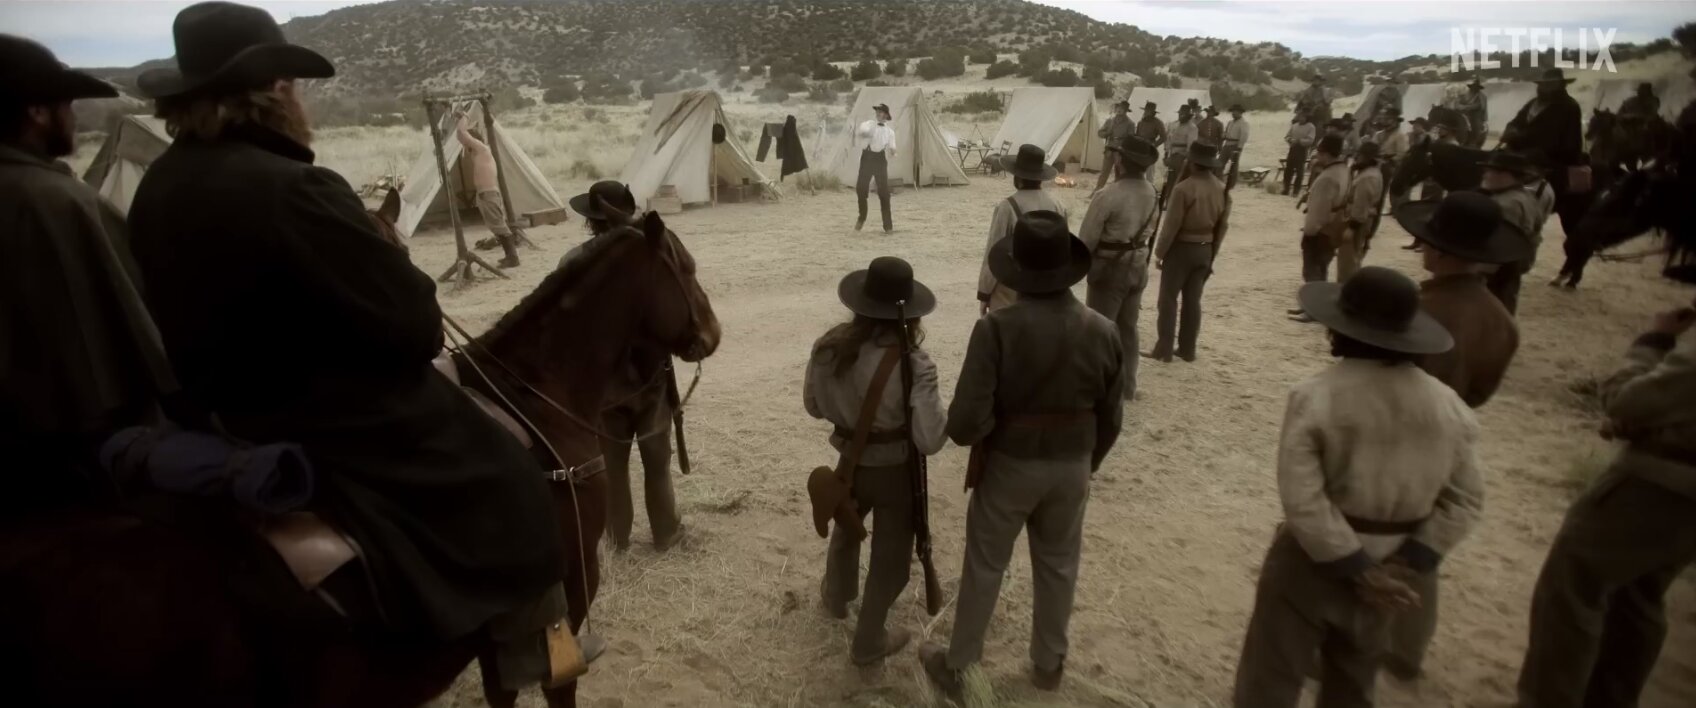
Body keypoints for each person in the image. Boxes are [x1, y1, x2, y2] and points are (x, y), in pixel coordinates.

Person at [124, 2, 568, 689]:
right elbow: (412, 327)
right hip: (330, 418)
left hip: (217, 409)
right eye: (294, 88)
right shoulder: (293, 186)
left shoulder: (160, 184)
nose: (300, 101)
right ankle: (530, 651)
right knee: (511, 474)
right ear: (276, 91)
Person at [1233, 266, 1480, 708]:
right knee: (1354, 678)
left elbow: (1304, 500)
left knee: (1272, 673)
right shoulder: (1451, 407)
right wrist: (1406, 563)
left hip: (1312, 560)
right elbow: (1465, 500)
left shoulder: (1317, 396)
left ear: (1341, 329)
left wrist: (1356, 567)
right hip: (1395, 562)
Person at [921, 211, 1124, 698]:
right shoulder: (1103, 330)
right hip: (1073, 465)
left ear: (1018, 271)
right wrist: (1086, 462)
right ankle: (1048, 664)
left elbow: (965, 421)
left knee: (985, 564)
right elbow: (1112, 417)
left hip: (1010, 464)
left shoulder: (996, 329)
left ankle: (960, 666)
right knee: (1059, 564)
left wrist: (991, 435)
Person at [0, 34, 176, 520]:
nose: (73, 116)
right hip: (61, 462)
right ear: (37, 111)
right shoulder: (54, 202)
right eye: (67, 104)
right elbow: (133, 341)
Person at [1515, 291, 1696, 708]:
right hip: (1683, 497)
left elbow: (1626, 399)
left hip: (1656, 485)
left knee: (1571, 590)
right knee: (1637, 598)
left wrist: (1653, 342)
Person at [1383, 192, 1529, 682]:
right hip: (1451, 437)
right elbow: (1482, 392)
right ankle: (1408, 649)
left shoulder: (1420, 311)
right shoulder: (1502, 321)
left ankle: (1345, 643)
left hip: (1397, 438)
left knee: (1368, 538)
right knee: (1422, 545)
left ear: (1440, 250)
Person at [805, 256, 947, 666]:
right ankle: (869, 641)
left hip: (849, 463)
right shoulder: (916, 364)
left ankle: (836, 597)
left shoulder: (828, 348)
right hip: (895, 473)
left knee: (846, 526)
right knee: (891, 558)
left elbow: (814, 407)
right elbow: (930, 439)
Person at [566, 181, 685, 553]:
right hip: (650, 382)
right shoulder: (657, 255)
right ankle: (666, 534)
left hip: (605, 388)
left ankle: (617, 538)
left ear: (590, 220)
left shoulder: (574, 261)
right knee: (657, 463)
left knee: (613, 468)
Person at [1078, 135, 1160, 399]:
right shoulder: (1152, 192)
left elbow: (1087, 239)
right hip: (1138, 265)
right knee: (1128, 329)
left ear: (1121, 161)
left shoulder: (1107, 195)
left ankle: (1096, 390)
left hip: (1110, 268)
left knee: (1099, 331)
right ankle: (1127, 386)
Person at [1149, 142, 1229, 363]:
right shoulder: (1222, 189)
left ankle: (1164, 349)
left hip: (1181, 248)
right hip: (1206, 248)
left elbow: (1171, 226)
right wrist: (1212, 252)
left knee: (1168, 300)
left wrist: (1160, 253)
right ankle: (1187, 349)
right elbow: (1222, 226)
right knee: (1193, 301)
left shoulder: (1183, 188)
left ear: (1192, 162)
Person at [978, 144, 1068, 313]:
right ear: (1040, 177)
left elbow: (994, 252)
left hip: (1014, 286)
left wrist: (984, 292)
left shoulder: (1008, 207)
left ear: (1017, 177)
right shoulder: (1057, 206)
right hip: (1047, 285)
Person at [1503, 69, 1586, 252]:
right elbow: (1516, 122)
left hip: (1552, 160)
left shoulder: (1569, 107)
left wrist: (1521, 139)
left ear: (1560, 85)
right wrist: (1511, 131)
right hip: (1523, 153)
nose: (1544, 88)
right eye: (1542, 84)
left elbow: (1559, 141)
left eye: (1549, 84)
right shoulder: (1533, 104)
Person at [1478, 151, 1549, 314]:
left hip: (1497, 275)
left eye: (1490, 171)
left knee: (1491, 314)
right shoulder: (1525, 196)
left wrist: (1477, 274)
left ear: (1505, 175)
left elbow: (1499, 248)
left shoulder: (1507, 204)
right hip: (1511, 271)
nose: (1485, 175)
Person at [1290, 135, 1350, 323]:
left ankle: (1313, 309)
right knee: (1321, 268)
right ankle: (1311, 306)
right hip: (1332, 227)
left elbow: (1319, 209)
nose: (1317, 155)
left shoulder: (1328, 178)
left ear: (1326, 154)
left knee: (1313, 270)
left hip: (1321, 230)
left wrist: (1310, 231)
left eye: (1320, 152)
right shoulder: (1343, 170)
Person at [456, 112, 525, 268]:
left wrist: (464, 117)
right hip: (484, 194)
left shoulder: (482, 149)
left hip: (488, 193)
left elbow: (461, 133)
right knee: (495, 226)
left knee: (499, 226)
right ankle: (509, 256)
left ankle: (513, 258)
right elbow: (461, 136)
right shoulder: (477, 153)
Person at [1337, 141, 1384, 281]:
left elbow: (1361, 204)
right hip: (1361, 219)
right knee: (1351, 258)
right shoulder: (1370, 173)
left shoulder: (1368, 177)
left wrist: (1352, 228)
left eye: (1360, 155)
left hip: (1358, 222)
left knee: (1348, 261)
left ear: (1367, 157)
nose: (1357, 158)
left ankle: (1346, 286)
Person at [854, 102, 897, 235]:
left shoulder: (890, 132)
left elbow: (892, 147)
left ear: (886, 115)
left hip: (880, 160)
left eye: (880, 111)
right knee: (861, 189)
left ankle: (888, 226)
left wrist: (893, 151)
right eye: (877, 111)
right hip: (867, 158)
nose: (878, 113)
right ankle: (862, 217)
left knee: (884, 193)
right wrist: (864, 133)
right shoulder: (868, 124)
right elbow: (862, 131)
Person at [1093, 99, 1135, 193]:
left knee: (1120, 173)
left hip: (1120, 152)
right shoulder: (1110, 121)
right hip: (1109, 149)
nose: (1119, 110)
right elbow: (1100, 133)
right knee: (1104, 172)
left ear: (1126, 111)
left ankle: (1119, 193)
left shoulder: (1130, 124)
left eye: (1122, 108)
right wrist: (1107, 133)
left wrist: (1123, 147)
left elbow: (1131, 139)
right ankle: (1097, 191)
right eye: (1118, 107)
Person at [1162, 105, 1199, 207]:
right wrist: (1166, 154)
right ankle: (1168, 202)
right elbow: (1169, 140)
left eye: (1183, 114)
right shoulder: (1175, 125)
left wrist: (1185, 159)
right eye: (1179, 114)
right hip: (1172, 155)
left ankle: (1179, 204)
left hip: (1182, 157)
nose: (1180, 116)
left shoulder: (1192, 128)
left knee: (1180, 180)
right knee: (1170, 180)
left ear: (1188, 116)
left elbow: (1191, 146)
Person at [1283, 112, 1317, 196]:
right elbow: (1287, 136)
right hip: (1292, 149)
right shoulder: (1294, 125)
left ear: (1306, 117)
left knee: (1299, 171)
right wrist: (1290, 140)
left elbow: (1310, 140)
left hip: (1302, 150)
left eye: (1302, 117)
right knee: (1288, 170)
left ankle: (1296, 191)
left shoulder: (1311, 127)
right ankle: (1286, 189)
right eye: (1299, 116)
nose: (1300, 118)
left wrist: (1299, 141)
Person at [1222, 103, 1251, 187]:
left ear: (1240, 112)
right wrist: (1223, 136)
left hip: (1235, 146)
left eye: (1235, 112)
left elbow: (1244, 136)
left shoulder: (1244, 123)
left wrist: (1239, 148)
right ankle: (1218, 180)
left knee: (1234, 166)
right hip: (1227, 145)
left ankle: (1232, 183)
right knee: (1220, 163)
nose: (1233, 113)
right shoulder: (1230, 122)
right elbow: (1226, 132)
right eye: (1232, 112)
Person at [1456, 78, 1490, 148]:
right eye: (1473, 87)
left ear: (1478, 88)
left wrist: (1465, 107)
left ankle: (1473, 140)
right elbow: (1459, 103)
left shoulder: (1482, 96)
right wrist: (1459, 106)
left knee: (1475, 124)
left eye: (1476, 87)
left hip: (1476, 115)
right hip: (1464, 113)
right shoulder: (1466, 95)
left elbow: (1478, 106)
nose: (1474, 89)